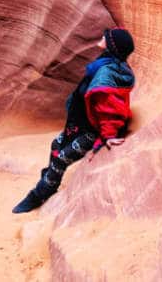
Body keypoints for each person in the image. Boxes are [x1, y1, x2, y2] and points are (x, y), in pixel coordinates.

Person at [12, 26, 136, 213]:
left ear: (112, 45)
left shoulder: (107, 73)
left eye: (107, 37)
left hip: (92, 131)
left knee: (62, 159)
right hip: (82, 123)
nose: (103, 37)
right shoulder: (107, 64)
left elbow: (108, 107)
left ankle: (39, 194)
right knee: (56, 144)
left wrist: (108, 135)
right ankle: (49, 179)